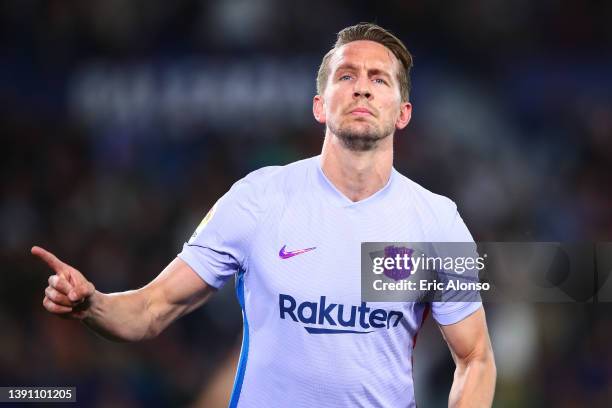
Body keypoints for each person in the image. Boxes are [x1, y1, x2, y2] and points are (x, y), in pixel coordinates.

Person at [33, 23, 496, 407]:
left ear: (403, 113)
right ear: (319, 105)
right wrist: (93, 303)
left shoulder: (437, 222)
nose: (362, 88)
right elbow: (152, 309)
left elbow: (475, 358)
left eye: (379, 79)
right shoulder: (259, 198)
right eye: (346, 75)